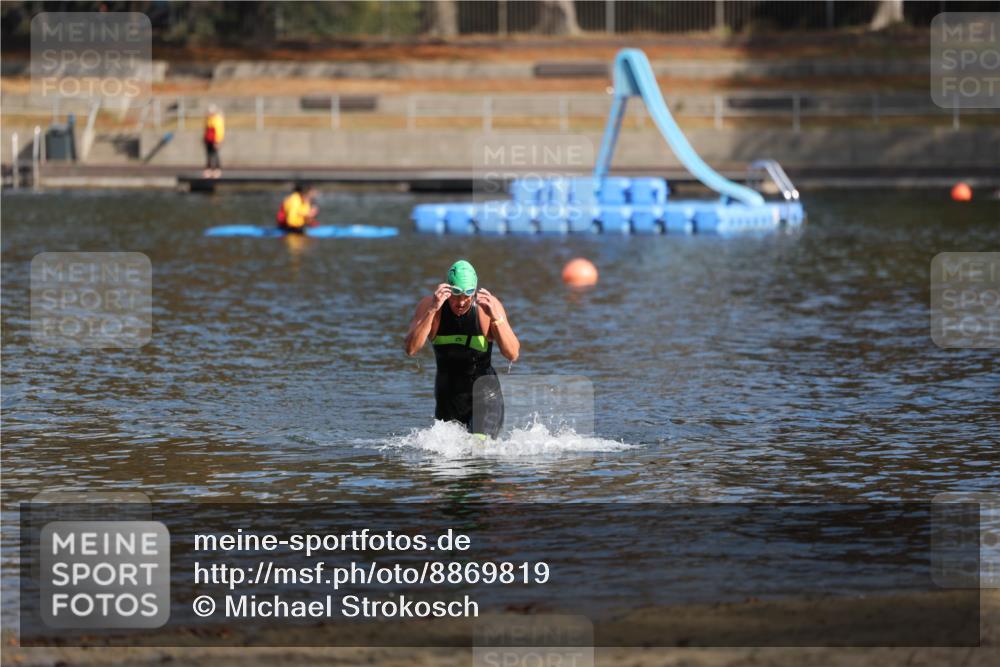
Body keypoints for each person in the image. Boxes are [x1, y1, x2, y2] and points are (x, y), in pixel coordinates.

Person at [404, 260, 520, 439]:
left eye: (468, 295)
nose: (461, 302)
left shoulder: (487, 308)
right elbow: (411, 349)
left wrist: (496, 317)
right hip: (447, 398)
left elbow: (512, 353)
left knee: (477, 453)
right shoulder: (430, 306)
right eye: (456, 294)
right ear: (448, 290)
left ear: (474, 292)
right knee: (445, 461)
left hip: (485, 398)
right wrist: (432, 310)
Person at [203, 104, 224, 178]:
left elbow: (219, 131)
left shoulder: (217, 119)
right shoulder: (208, 119)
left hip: (214, 140)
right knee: (209, 155)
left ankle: (217, 169)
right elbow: (206, 130)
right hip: (208, 140)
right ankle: (209, 169)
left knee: (215, 155)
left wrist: (218, 141)